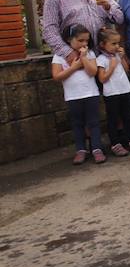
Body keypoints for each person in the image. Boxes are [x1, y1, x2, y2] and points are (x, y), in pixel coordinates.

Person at [51, 24, 104, 165]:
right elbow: (56, 76)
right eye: (80, 41)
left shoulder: (90, 53)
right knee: (77, 123)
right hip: (73, 96)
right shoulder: (59, 55)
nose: (84, 44)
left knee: (93, 122)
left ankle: (97, 148)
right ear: (69, 39)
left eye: (86, 41)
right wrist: (74, 67)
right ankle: (81, 149)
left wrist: (84, 58)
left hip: (91, 93)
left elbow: (93, 72)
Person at [95, 27, 130, 157]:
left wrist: (122, 58)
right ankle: (115, 143)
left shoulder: (118, 56)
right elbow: (102, 78)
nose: (117, 46)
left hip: (124, 89)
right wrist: (111, 67)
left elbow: (126, 70)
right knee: (113, 118)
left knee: (128, 116)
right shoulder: (101, 59)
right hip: (111, 92)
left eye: (118, 43)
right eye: (113, 44)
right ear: (102, 45)